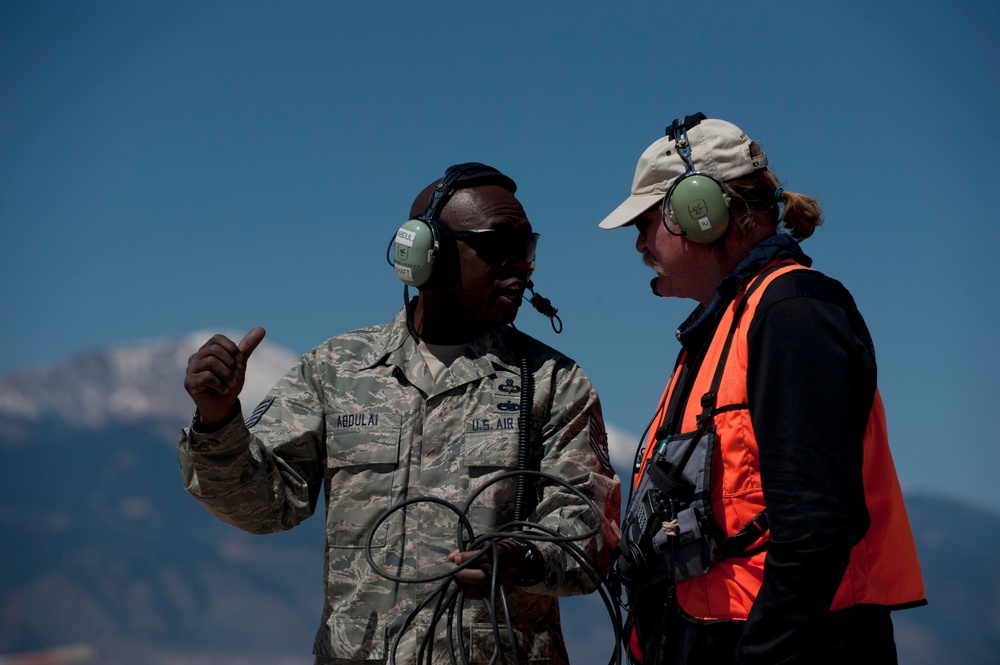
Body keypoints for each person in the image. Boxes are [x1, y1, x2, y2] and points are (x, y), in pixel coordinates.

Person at [178, 162, 621, 665]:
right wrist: (218, 423)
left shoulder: (553, 383)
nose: (521, 266)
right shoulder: (335, 370)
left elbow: (591, 540)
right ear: (425, 254)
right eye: (500, 246)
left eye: (527, 248)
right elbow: (264, 507)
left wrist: (521, 558)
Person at [598, 114, 925, 664]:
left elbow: (816, 526)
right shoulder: (724, 326)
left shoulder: (793, 313)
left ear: (698, 214)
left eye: (647, 221)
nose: (639, 244)